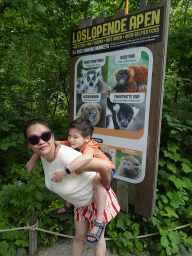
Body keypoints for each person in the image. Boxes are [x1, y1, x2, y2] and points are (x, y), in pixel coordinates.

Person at [24, 118, 120, 255]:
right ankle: (68, 207)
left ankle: (99, 219)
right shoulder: (58, 146)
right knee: (79, 236)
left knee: (98, 239)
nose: (41, 141)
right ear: (29, 144)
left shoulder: (80, 151)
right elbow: (44, 145)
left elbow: (103, 165)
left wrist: (66, 171)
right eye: (34, 140)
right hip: (80, 201)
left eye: (45, 136)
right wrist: (33, 158)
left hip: (97, 196)